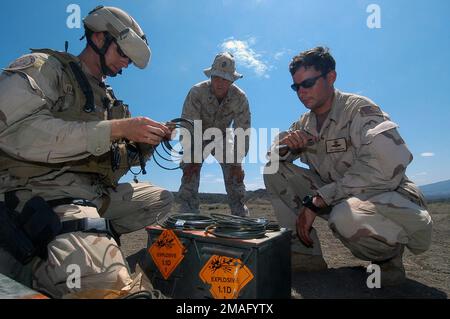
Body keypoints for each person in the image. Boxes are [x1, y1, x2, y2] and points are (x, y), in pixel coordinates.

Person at [0, 6, 173, 298]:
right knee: (106, 287)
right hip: (42, 189)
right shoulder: (47, 68)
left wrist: (142, 146)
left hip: (93, 192)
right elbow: (13, 132)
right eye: (123, 54)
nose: (126, 63)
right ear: (99, 37)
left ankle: (86, 235)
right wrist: (115, 129)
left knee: (160, 199)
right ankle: (66, 250)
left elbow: (108, 164)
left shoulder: (108, 99)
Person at [264, 46, 432, 285]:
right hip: (338, 195)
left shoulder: (359, 110)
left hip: (384, 194)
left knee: (345, 216)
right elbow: (273, 155)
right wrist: (285, 146)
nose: (301, 92)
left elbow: (390, 164)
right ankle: (305, 254)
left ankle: (388, 261)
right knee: (274, 168)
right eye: (296, 86)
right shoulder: (305, 122)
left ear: (331, 77)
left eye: (308, 83)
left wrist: (320, 199)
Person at [177, 52, 251, 217]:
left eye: (225, 79)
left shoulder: (240, 98)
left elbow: (243, 130)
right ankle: (187, 215)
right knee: (190, 168)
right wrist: (194, 156)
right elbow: (188, 126)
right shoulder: (196, 92)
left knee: (235, 171)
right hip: (197, 135)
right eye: (216, 77)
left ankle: (240, 215)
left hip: (223, 136)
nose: (220, 83)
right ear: (211, 75)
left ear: (232, 80)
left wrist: (238, 163)